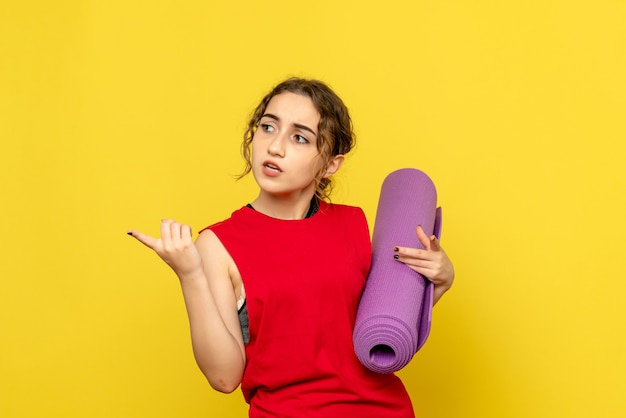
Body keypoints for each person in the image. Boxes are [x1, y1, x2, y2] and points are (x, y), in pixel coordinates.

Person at [128, 77, 454, 417]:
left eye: (299, 137)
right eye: (268, 127)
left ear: (330, 164)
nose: (275, 147)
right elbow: (224, 377)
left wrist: (438, 284)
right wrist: (190, 273)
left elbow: (384, 333)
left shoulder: (352, 225)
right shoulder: (217, 245)